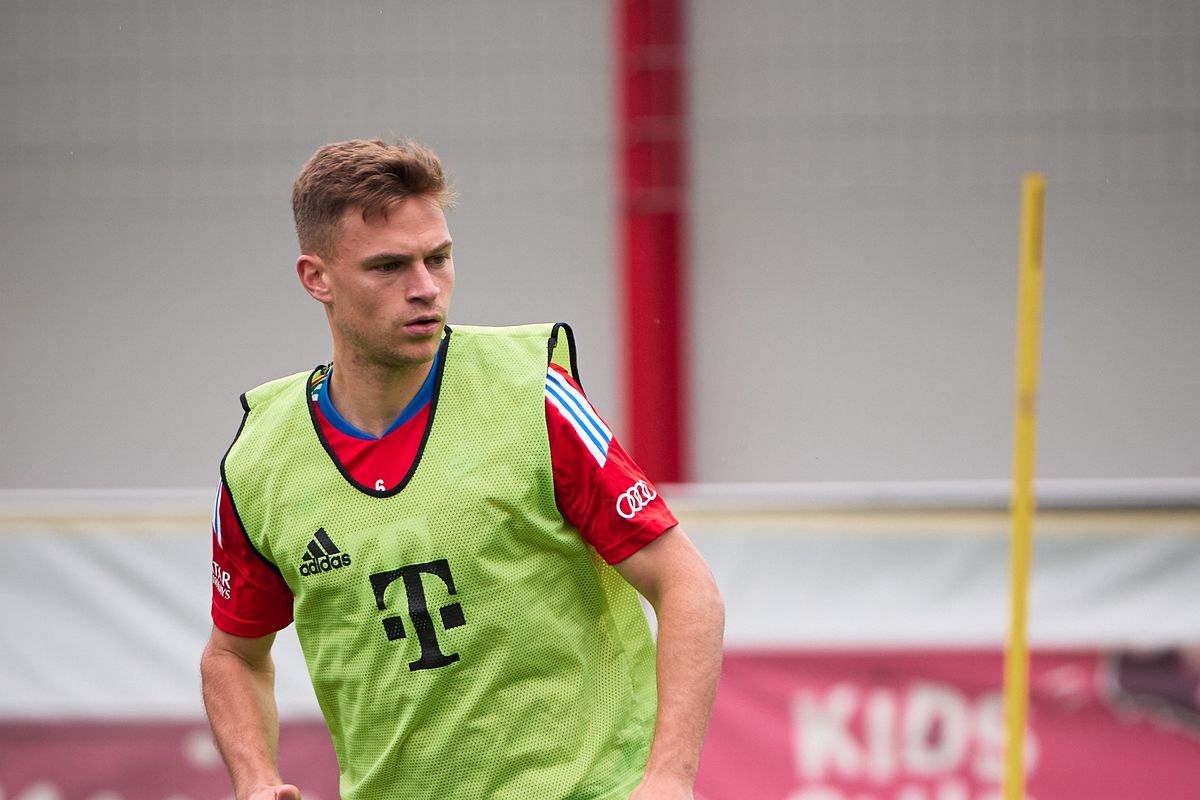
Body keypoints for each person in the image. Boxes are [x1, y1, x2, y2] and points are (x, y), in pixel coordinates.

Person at [200, 138, 725, 800]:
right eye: (388, 267)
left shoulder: (532, 395)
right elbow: (232, 656)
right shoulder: (261, 458)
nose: (425, 289)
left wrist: (669, 779)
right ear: (317, 278)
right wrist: (254, 777)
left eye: (438, 259)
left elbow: (686, 585)